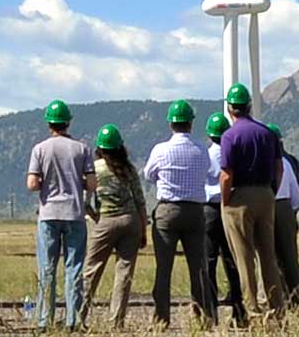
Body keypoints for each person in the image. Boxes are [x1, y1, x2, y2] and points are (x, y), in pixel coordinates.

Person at [216, 83, 286, 325]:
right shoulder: (267, 133)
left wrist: (226, 200)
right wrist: (272, 190)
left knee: (244, 257)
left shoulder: (229, 136)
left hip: (239, 197)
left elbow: (226, 174)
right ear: (248, 106)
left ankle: (253, 309)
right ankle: (277, 308)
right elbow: (279, 166)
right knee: (268, 254)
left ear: (229, 108)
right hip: (266, 194)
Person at [144, 100, 215, 329]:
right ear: (191, 123)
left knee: (163, 269)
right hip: (195, 211)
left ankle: (162, 318)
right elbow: (206, 171)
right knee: (199, 268)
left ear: (170, 123)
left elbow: (148, 175)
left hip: (167, 210)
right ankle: (205, 316)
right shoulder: (201, 149)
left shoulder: (160, 150)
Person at [27, 100, 96, 329]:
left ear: (49, 123)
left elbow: (32, 183)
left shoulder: (40, 149)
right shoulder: (82, 148)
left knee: (47, 268)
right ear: (68, 122)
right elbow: (92, 184)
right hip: (74, 213)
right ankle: (73, 320)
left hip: (48, 214)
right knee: (73, 268)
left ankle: (44, 319)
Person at [78, 123, 147, 329]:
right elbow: (140, 201)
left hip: (105, 221)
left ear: (99, 148)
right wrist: (144, 230)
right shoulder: (129, 169)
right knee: (124, 273)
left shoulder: (95, 170)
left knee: (91, 270)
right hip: (130, 220)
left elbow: (84, 202)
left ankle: (79, 316)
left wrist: (96, 216)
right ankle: (116, 321)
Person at [200, 110, 246, 321]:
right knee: (232, 260)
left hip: (209, 209)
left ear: (209, 134)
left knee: (209, 261)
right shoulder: (235, 153)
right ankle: (239, 309)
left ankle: (210, 312)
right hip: (229, 206)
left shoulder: (206, 155)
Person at [266, 123, 299, 310]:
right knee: (290, 258)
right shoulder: (286, 163)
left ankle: (274, 300)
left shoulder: (258, 160)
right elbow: (296, 191)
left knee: (267, 258)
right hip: (284, 208)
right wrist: (295, 209)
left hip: (264, 207)